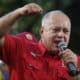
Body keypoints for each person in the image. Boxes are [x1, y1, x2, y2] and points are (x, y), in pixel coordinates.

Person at [0, 3, 80, 80]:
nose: (61, 35)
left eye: (66, 31)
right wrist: (18, 13)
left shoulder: (76, 62)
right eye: (55, 30)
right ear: (42, 31)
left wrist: (75, 74)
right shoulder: (21, 48)